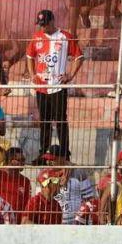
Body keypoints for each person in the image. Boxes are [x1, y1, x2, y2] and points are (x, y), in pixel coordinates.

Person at [26, 9, 84, 154]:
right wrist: (33, 74)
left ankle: (65, 153)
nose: (42, 27)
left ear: (52, 21)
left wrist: (70, 75)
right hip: (41, 87)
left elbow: (79, 57)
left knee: (60, 121)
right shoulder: (37, 37)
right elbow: (29, 56)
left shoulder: (65, 37)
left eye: (45, 24)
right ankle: (43, 153)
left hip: (58, 86)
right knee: (44, 121)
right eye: (40, 24)